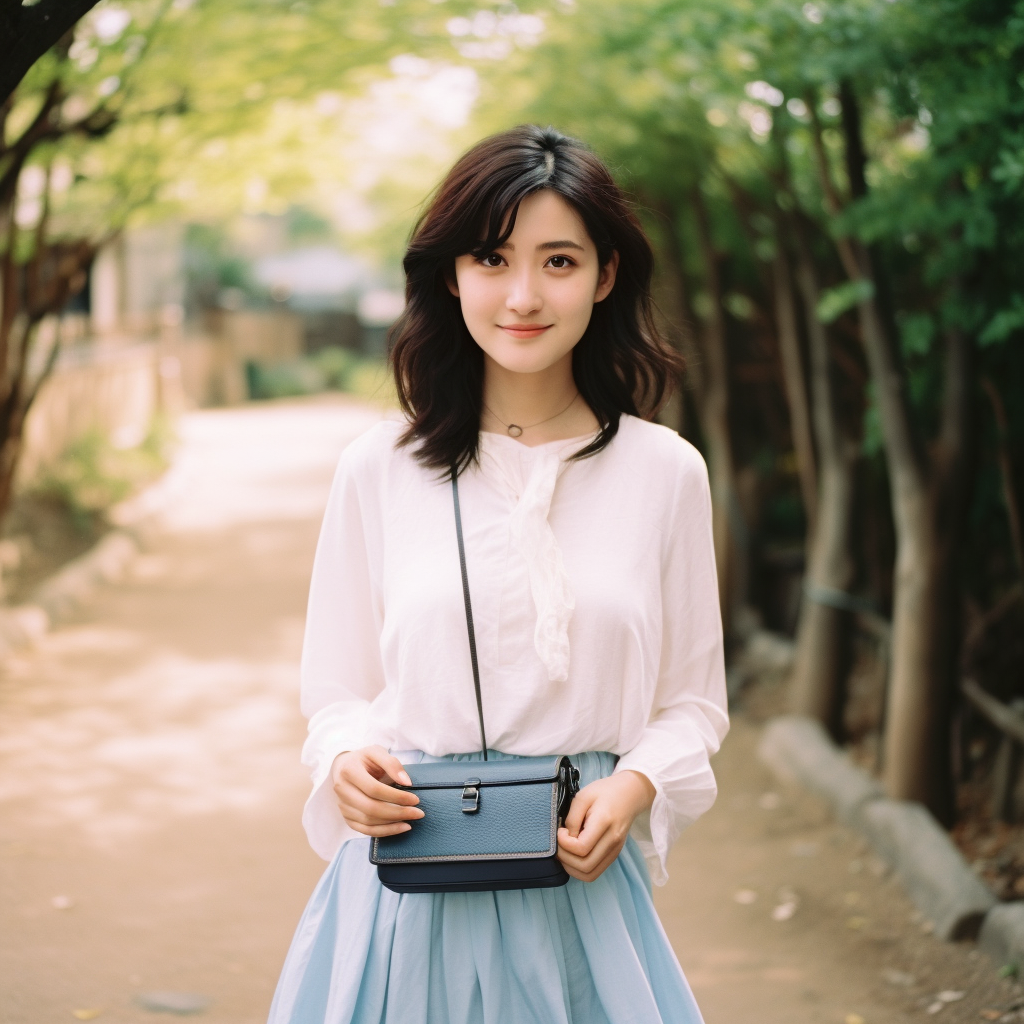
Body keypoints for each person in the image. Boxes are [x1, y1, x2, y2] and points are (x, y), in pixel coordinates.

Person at [267, 124, 729, 1024]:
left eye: (559, 261)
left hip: (579, 891)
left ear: (605, 277)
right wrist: (347, 759)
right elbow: (337, 689)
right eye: (491, 257)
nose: (523, 295)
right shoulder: (379, 466)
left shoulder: (666, 471)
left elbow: (694, 703)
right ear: (451, 275)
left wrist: (633, 785)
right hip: (410, 887)